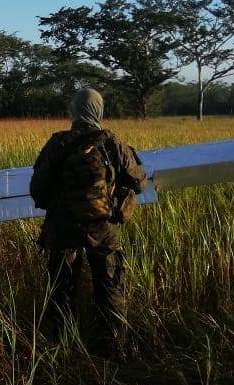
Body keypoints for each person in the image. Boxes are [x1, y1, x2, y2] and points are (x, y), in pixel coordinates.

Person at [28, 88, 146, 354]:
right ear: (99, 111)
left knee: (61, 287)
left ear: (74, 110)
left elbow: (37, 189)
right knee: (110, 285)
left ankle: (61, 344)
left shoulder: (57, 143)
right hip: (102, 227)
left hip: (62, 227)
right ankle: (112, 346)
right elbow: (138, 183)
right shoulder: (112, 142)